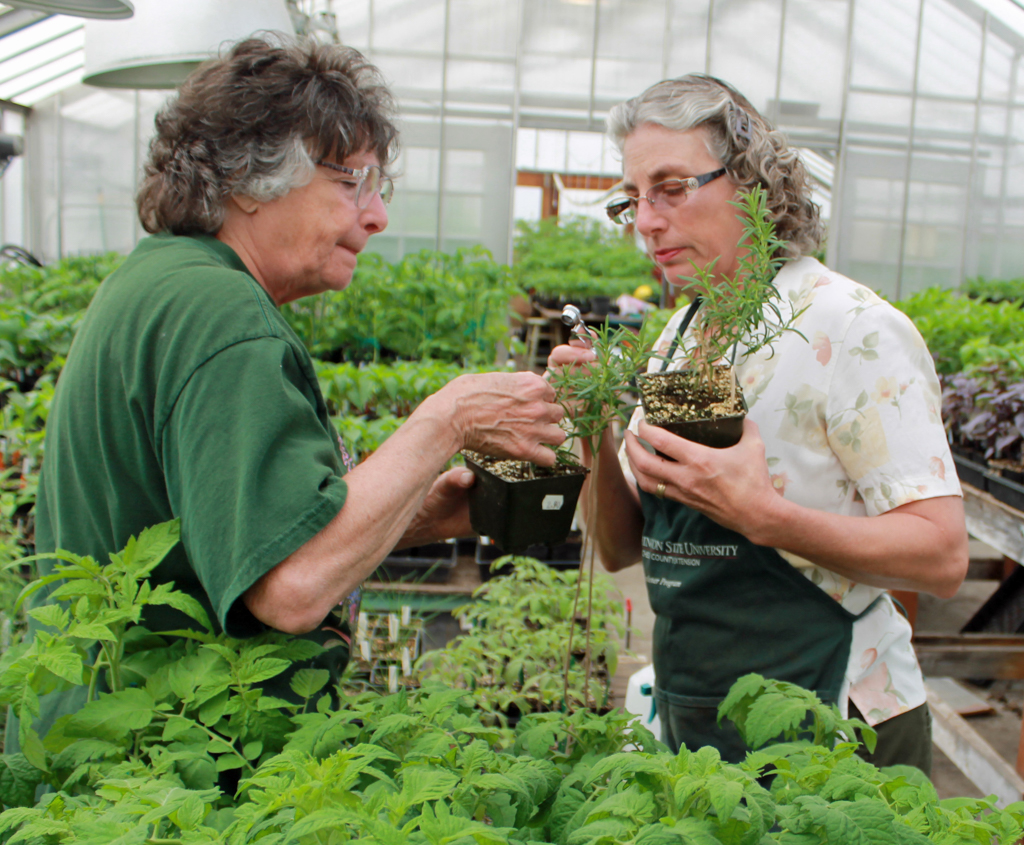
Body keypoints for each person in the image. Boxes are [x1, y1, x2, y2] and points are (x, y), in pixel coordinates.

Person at [6, 36, 565, 748]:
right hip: (164, 766)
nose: (376, 217)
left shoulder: (167, 281)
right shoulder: (221, 316)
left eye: (376, 188)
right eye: (348, 183)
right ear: (247, 179)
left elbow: (231, 534)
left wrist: (417, 509)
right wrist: (447, 421)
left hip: (104, 738)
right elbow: (292, 588)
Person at [549, 75, 968, 770]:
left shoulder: (849, 326)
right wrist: (592, 423)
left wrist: (764, 516)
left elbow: (943, 556)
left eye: (672, 188)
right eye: (633, 200)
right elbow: (625, 549)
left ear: (751, 184)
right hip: (700, 713)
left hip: (833, 725)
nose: (647, 221)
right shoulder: (679, 335)